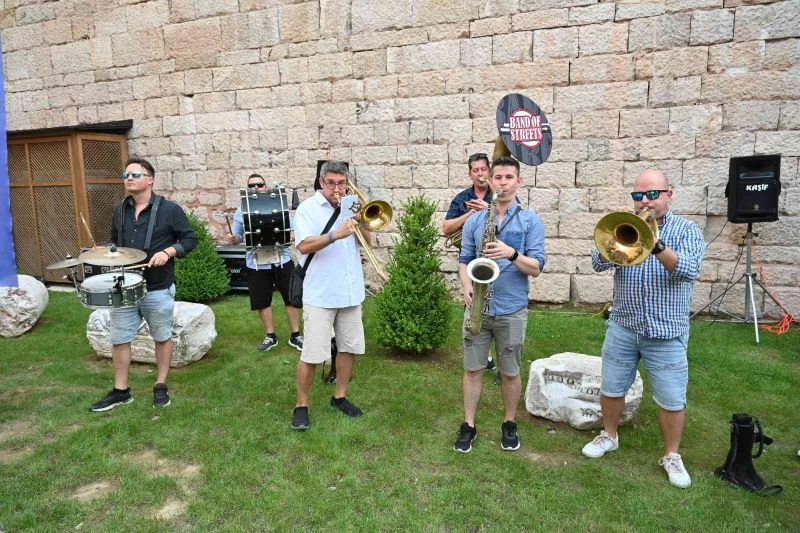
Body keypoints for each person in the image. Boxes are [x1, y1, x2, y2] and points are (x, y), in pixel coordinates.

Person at [581, 169, 706, 489]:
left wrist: (655, 244)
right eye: (638, 196)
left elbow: (689, 270)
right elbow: (597, 262)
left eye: (652, 194)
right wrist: (617, 241)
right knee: (612, 387)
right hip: (624, 325)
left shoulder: (686, 230)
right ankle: (609, 435)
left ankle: (672, 455)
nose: (645, 201)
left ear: (669, 194)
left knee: (671, 398)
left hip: (666, 331)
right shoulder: (625, 224)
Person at [453, 155, 546, 453]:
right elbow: (464, 260)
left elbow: (536, 267)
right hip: (477, 307)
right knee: (472, 369)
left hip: (512, 309)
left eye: (509, 177)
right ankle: (469, 424)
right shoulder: (476, 220)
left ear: (519, 181)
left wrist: (511, 253)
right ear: (491, 181)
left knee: (510, 371)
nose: (503, 183)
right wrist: (467, 286)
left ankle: (509, 423)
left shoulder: (531, 221)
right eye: (498, 177)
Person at [89, 158, 197, 412]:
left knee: (161, 336)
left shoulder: (169, 210)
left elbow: (189, 238)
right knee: (119, 338)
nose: (129, 178)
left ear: (150, 180)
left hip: (157, 286)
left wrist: (169, 252)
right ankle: (121, 391)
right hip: (125, 285)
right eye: (126, 174)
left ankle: (161, 385)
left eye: (135, 174)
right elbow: (115, 242)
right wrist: (105, 250)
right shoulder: (120, 211)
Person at [290, 160, 367, 430]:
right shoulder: (308, 209)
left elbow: (367, 242)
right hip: (321, 294)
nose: (337, 188)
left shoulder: (352, 206)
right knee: (312, 354)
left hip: (350, 291)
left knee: (349, 348)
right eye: (331, 183)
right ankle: (301, 405)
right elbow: (303, 245)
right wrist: (336, 234)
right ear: (322, 182)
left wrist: (362, 223)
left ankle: (340, 396)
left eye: (342, 183)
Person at [223, 173, 303, 352]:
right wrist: (232, 239)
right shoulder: (241, 210)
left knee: (291, 298)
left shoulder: (278, 204)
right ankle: (270, 336)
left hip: (282, 259)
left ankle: (296, 335)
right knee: (262, 301)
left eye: (259, 185)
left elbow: (292, 228)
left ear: (265, 186)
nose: (255, 188)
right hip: (256, 262)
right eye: (251, 185)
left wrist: (292, 234)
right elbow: (237, 237)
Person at [443, 152, 497, 371]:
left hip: (498, 259)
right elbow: (446, 228)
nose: (480, 174)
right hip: (471, 260)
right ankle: (482, 355)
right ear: (470, 174)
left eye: (483, 169)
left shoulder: (499, 195)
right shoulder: (462, 198)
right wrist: (470, 214)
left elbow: (515, 219)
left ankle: (499, 356)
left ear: (489, 171)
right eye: (476, 170)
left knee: (498, 310)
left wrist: (489, 210)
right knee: (475, 304)